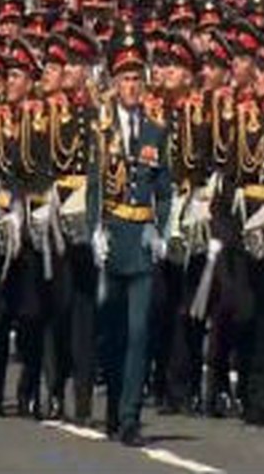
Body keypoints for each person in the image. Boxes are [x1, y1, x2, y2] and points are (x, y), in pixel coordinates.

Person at [92, 29, 172, 446]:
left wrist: (162, 227)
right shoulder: (101, 129)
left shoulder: (156, 130)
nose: (131, 86)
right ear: (113, 83)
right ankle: (112, 410)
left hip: (140, 241)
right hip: (112, 239)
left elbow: (165, 186)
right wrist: (94, 230)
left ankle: (129, 416)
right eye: (124, 79)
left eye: (136, 78)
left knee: (139, 332)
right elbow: (93, 186)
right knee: (112, 332)